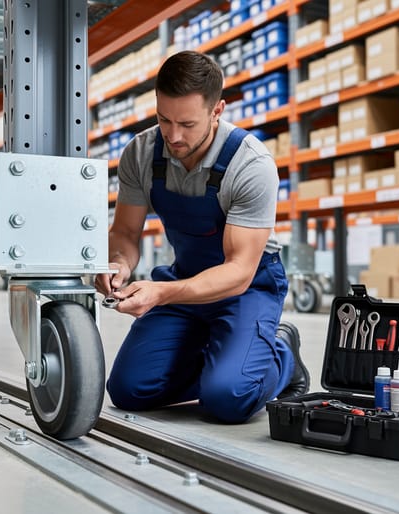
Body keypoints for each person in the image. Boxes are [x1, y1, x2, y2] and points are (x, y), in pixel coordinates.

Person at [94, 51, 309, 424]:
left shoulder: (250, 164)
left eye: (187, 124)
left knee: (229, 399)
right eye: (164, 119)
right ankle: (227, 363)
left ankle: (281, 355)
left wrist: (160, 293)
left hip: (248, 288)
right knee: (129, 390)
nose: (174, 136)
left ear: (217, 111)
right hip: (186, 278)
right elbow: (126, 232)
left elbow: (239, 271)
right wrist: (118, 263)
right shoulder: (141, 153)